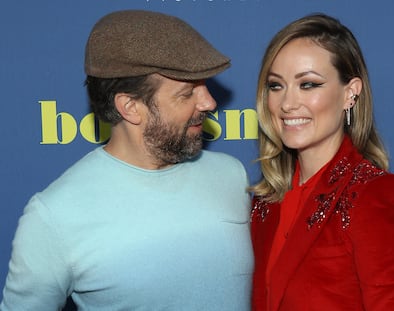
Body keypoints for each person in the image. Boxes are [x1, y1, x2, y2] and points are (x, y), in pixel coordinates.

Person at [0, 10, 253, 310]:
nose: (209, 102)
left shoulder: (231, 175)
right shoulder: (53, 216)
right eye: (187, 93)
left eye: (206, 86)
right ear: (130, 107)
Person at [249, 13, 394, 311]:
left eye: (308, 84)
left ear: (350, 93)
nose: (287, 104)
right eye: (276, 85)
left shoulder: (378, 196)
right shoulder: (265, 204)